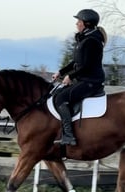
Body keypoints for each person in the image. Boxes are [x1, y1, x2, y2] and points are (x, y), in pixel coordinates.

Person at [52, 9, 107, 146]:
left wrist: (71, 76)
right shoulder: (84, 39)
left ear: (86, 24)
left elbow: (87, 65)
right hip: (83, 79)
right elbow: (76, 62)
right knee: (56, 93)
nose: (77, 24)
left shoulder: (91, 41)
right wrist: (61, 72)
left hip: (91, 81)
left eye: (79, 21)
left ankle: (69, 135)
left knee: (61, 98)